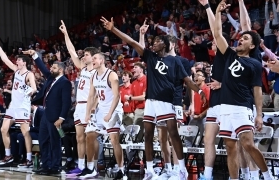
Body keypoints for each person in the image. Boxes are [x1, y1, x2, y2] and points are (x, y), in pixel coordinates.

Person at [100, 16, 206, 180]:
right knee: (148, 136)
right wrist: (113, 29)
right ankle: (150, 170)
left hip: (166, 101)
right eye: (152, 42)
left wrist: (199, 92)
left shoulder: (176, 61)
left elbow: (187, 81)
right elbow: (132, 43)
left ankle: (181, 170)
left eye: (156, 42)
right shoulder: (150, 57)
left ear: (165, 44)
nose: (153, 44)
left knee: (174, 135)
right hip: (150, 101)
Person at [213, 1, 274, 179]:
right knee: (230, 148)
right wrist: (217, 12)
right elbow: (217, 34)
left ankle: (268, 176)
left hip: (242, 107)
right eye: (240, 38)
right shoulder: (230, 55)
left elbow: (256, 90)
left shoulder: (254, 64)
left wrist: (259, 114)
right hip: (225, 107)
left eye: (245, 39)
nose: (241, 39)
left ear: (252, 46)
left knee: (248, 144)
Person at [58, 20, 100, 176]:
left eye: (87, 55)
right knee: (79, 138)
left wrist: (93, 107)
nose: (83, 56)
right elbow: (71, 51)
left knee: (91, 138)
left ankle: (93, 166)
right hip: (79, 106)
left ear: (93, 57)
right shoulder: (82, 68)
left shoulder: (97, 71)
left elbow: (98, 92)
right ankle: (82, 166)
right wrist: (66, 34)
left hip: (90, 106)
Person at [0, 38, 37, 167]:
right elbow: (5, 59)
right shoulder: (16, 70)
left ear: (24, 62)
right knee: (4, 129)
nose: (17, 61)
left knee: (25, 132)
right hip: (13, 106)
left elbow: (34, 88)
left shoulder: (29, 74)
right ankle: (8, 155)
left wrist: (26, 91)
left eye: (19, 60)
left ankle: (28, 159)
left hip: (23, 106)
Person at [27, 49, 72, 175]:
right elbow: (42, 68)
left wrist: (62, 118)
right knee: (43, 141)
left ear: (61, 70)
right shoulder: (51, 79)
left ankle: (55, 166)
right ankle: (46, 165)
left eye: (54, 67)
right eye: (51, 67)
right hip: (46, 115)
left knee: (55, 142)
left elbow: (66, 102)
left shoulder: (65, 83)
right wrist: (35, 56)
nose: (51, 69)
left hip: (56, 117)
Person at [80, 53, 125, 179]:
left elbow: (117, 96)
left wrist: (110, 113)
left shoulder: (111, 75)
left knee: (114, 140)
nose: (92, 60)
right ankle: (90, 168)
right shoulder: (93, 76)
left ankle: (122, 171)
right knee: (89, 135)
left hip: (114, 110)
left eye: (95, 58)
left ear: (102, 60)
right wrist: (88, 113)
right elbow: (91, 96)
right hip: (101, 111)